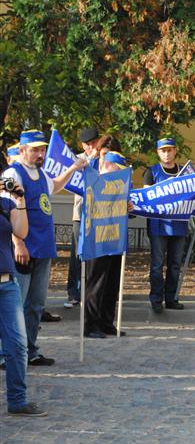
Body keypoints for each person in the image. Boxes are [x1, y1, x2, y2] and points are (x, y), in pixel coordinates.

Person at [2, 130, 87, 367]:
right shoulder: (12, 174)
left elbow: (55, 186)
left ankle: (30, 350)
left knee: (36, 304)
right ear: (22, 151)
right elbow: (5, 211)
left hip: (43, 247)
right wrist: (17, 242)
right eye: (35, 149)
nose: (40, 154)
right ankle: (7, 353)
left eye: (42, 150)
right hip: (23, 249)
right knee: (15, 304)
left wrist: (71, 170)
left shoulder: (40, 173)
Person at [0, 170, 47, 416]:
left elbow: (21, 232)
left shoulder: (6, 202)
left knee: (17, 346)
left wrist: (19, 200)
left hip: (7, 285)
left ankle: (17, 400)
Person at [143, 137, 195, 312]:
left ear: (175, 151)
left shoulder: (186, 173)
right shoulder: (151, 172)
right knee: (156, 264)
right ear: (158, 153)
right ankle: (156, 299)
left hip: (179, 224)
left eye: (169, 150)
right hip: (158, 225)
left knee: (175, 264)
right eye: (163, 150)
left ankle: (171, 298)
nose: (167, 153)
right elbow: (147, 197)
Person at [83, 148, 131, 339]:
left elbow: (127, 214)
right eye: (115, 167)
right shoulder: (94, 181)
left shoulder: (121, 185)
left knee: (112, 283)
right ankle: (90, 324)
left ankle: (106, 322)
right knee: (96, 283)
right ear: (107, 165)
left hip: (115, 239)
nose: (118, 171)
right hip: (97, 240)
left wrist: (129, 207)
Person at [65, 127, 102, 309]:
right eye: (88, 144)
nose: (91, 147)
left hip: (99, 215)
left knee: (94, 257)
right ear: (82, 145)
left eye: (94, 142)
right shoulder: (78, 159)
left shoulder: (104, 158)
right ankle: (73, 292)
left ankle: (90, 292)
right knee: (76, 256)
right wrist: (88, 158)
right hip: (80, 214)